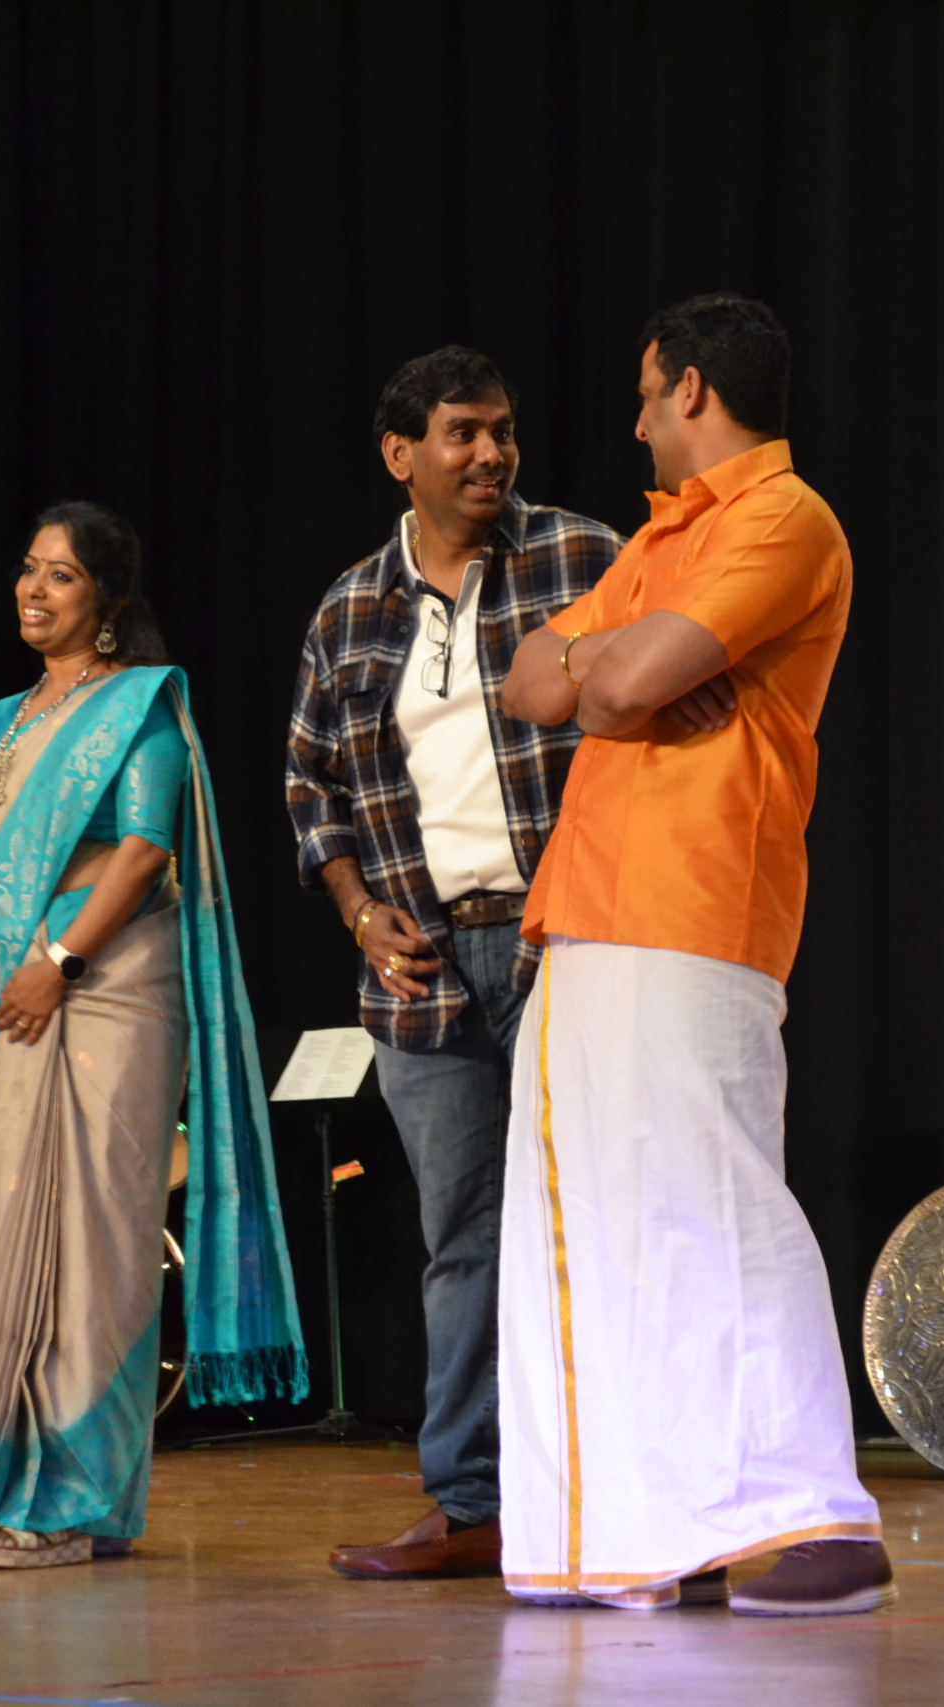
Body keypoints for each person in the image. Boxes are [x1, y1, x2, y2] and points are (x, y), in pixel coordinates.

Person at [496, 295, 891, 1615]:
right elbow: (531, 680)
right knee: (601, 1223)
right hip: (590, 901)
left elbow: (600, 688)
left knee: (712, 1203)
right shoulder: (664, 537)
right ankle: (651, 1525)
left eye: (645, 394)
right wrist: (622, 656)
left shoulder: (784, 518)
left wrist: (610, 666)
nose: (634, 423)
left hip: (695, 896)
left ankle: (813, 1513)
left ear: (694, 391)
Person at [0, 500, 308, 1569]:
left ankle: (77, 1499)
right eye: (28, 570)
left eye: (61, 576)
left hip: (111, 985)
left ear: (109, 600)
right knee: (17, 1238)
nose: (33, 591)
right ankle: (20, 1483)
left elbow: (142, 853)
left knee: (97, 1245)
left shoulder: (138, 705)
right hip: (22, 998)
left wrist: (61, 962)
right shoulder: (1, 721)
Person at [287, 347, 623, 1579]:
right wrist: (355, 910)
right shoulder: (350, 609)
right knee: (462, 1240)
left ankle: (610, 1494)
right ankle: (472, 1505)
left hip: (562, 941)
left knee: (591, 1222)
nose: (491, 454)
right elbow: (309, 783)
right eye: (463, 433)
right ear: (401, 455)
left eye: (502, 431)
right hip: (419, 968)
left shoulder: (582, 558)